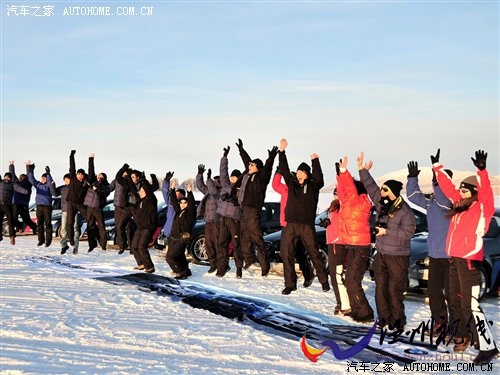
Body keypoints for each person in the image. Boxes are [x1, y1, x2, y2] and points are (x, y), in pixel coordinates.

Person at [432, 149, 498, 364]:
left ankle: (487, 346)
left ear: (474, 191)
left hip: (470, 259)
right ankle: (463, 334)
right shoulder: (459, 206)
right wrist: (437, 168)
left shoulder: (481, 208)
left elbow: (486, 192)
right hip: (455, 258)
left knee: (471, 304)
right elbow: (448, 188)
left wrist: (481, 171)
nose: (460, 192)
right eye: (461, 189)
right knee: (454, 298)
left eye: (465, 189)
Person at [358, 152, 416, 330]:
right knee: (380, 288)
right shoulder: (382, 203)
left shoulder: (405, 211)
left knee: (394, 289)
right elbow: (371, 187)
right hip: (382, 254)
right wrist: (362, 170)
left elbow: (408, 233)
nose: (381, 192)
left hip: (397, 256)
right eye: (382, 189)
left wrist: (386, 231)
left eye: (385, 190)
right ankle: (383, 318)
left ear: (393, 193)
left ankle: (397, 320)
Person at [277, 138, 330, 294]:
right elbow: (285, 169)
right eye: (298, 171)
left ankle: (323, 280)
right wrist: (282, 151)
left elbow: (319, 178)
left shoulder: (313, 186)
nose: (298, 174)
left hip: (306, 225)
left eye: (301, 172)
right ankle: (290, 284)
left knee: (314, 253)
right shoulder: (292, 184)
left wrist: (315, 162)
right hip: (291, 224)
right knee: (286, 253)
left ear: (307, 174)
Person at [406, 159, 453, 334]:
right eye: (435, 180)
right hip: (435, 254)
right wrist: (412, 178)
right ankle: (440, 324)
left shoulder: (449, 202)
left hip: (450, 256)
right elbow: (413, 197)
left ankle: (457, 328)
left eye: (438, 180)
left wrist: (437, 172)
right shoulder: (432, 201)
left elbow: (442, 197)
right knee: (433, 293)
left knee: (452, 294)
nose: (435, 183)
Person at [337, 157, 374, 323]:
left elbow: (349, 188)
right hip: (352, 244)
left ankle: (365, 313)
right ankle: (357, 309)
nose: (343, 192)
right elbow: (343, 190)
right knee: (349, 279)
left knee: (353, 280)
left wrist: (344, 172)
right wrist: (339, 175)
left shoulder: (359, 202)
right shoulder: (349, 201)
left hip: (360, 245)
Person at [236, 138, 278, 276]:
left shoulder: (261, 177)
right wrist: (241, 149)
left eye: (253, 164)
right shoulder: (248, 176)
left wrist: (271, 156)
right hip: (244, 210)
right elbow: (246, 161)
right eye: (250, 164)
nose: (249, 166)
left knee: (257, 239)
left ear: (258, 167)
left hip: (253, 211)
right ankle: (249, 259)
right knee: (244, 237)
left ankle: (265, 266)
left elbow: (268, 168)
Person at [272, 165, 314, 289]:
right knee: (286, 253)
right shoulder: (285, 189)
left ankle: (308, 274)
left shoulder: (301, 190)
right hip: (287, 225)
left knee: (299, 253)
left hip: (300, 225)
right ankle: (290, 283)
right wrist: (278, 173)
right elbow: (275, 185)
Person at [322, 186, 351, 315]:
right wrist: (327, 222)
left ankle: (344, 304)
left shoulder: (344, 205)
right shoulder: (333, 206)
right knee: (335, 275)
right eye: (334, 193)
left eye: (337, 193)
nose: (335, 196)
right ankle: (342, 302)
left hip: (338, 243)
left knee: (336, 275)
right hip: (332, 242)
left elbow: (344, 222)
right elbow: (335, 221)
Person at [216, 146, 243, 278]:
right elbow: (223, 172)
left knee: (237, 244)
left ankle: (239, 268)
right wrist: (224, 157)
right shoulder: (225, 185)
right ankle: (222, 267)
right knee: (221, 243)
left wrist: (233, 199)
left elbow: (242, 202)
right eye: (231, 177)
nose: (232, 179)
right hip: (223, 219)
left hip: (235, 219)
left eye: (235, 178)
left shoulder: (241, 188)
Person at [165, 180, 197, 279]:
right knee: (179, 256)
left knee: (170, 257)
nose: (182, 204)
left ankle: (180, 271)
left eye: (185, 203)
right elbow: (174, 201)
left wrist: (190, 192)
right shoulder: (179, 211)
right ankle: (186, 270)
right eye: (181, 203)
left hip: (181, 238)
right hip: (173, 238)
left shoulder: (190, 213)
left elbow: (192, 205)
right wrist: (172, 188)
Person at [127, 171, 157, 273]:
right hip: (140, 226)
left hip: (149, 226)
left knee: (141, 246)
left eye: (142, 190)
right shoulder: (139, 201)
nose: (140, 191)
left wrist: (144, 180)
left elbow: (148, 190)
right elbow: (132, 189)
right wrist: (128, 179)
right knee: (134, 246)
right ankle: (141, 264)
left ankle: (150, 267)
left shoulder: (151, 200)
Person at [196, 164, 222, 274]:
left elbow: (212, 190)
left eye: (216, 181)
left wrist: (209, 179)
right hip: (208, 222)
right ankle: (212, 264)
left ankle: (220, 265)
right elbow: (200, 185)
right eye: (214, 180)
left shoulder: (220, 193)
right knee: (208, 244)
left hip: (217, 222)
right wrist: (199, 174)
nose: (214, 182)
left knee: (217, 244)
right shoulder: (208, 192)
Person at [83, 154, 112, 252]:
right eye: (98, 175)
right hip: (89, 207)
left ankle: (103, 244)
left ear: (104, 178)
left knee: (101, 226)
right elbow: (91, 171)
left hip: (98, 208)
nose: (98, 176)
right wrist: (91, 159)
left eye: (101, 175)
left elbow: (104, 193)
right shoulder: (93, 182)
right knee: (90, 226)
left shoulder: (106, 186)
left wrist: (97, 189)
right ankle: (92, 245)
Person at [27, 162, 56, 247]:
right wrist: (31, 170)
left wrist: (48, 174)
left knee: (47, 224)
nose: (43, 179)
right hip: (39, 206)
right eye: (42, 178)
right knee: (39, 224)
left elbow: (51, 185)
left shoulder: (49, 186)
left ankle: (48, 241)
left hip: (47, 207)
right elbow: (31, 180)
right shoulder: (38, 185)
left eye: (45, 178)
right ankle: (41, 240)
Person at [66, 150, 90, 247]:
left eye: (81, 175)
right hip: (71, 203)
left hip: (80, 204)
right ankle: (71, 238)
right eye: (78, 174)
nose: (79, 176)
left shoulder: (85, 183)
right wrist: (71, 156)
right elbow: (72, 167)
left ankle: (94, 236)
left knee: (89, 218)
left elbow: (91, 175)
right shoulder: (73, 178)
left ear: (83, 176)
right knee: (70, 222)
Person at [0, 165, 29, 245]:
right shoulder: (0, 182)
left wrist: (26, 192)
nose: (7, 178)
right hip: (0, 205)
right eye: (6, 177)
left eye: (9, 177)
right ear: (4, 177)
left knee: (11, 222)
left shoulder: (12, 185)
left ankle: (12, 237)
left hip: (8, 205)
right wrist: (10, 165)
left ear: (10, 178)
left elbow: (19, 189)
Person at [55, 174, 82, 254]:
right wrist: (51, 182)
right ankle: (64, 245)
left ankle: (75, 247)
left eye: (68, 179)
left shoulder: (75, 187)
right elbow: (54, 193)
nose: (66, 181)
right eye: (65, 179)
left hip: (74, 210)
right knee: (63, 229)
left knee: (75, 228)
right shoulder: (62, 188)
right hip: (65, 211)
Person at [112, 163, 135, 254]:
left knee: (129, 227)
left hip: (127, 208)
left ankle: (131, 247)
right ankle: (122, 246)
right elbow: (110, 187)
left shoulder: (129, 182)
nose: (124, 174)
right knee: (119, 227)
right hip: (118, 206)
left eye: (126, 173)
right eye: (124, 172)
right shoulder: (118, 180)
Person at [9, 161, 37, 234]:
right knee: (13, 218)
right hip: (15, 203)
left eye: (22, 177)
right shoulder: (16, 182)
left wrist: (28, 166)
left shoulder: (27, 183)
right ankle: (20, 226)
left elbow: (29, 175)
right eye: (20, 177)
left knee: (26, 219)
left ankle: (34, 227)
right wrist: (11, 165)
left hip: (23, 204)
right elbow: (12, 174)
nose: (20, 178)